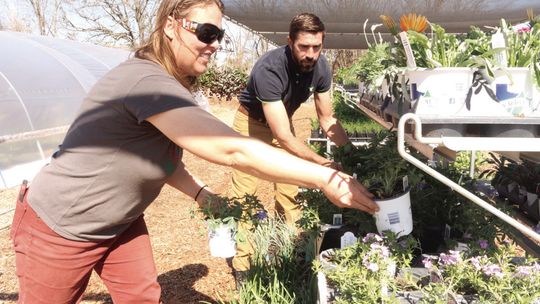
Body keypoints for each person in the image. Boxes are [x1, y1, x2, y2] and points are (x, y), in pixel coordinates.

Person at [9, 1, 377, 302]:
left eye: (219, 34)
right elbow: (233, 150)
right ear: (170, 26)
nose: (215, 43)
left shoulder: (172, 86)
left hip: (119, 222)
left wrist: (201, 195)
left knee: (142, 296)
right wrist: (325, 176)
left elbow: (159, 159)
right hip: (61, 225)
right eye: (205, 32)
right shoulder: (145, 81)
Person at [230, 13, 353, 273]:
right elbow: (283, 137)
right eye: (303, 47)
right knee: (245, 196)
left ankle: (289, 252)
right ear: (290, 42)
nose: (310, 54)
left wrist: (350, 152)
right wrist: (323, 163)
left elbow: (327, 117)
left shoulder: (321, 67)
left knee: (289, 193)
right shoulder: (270, 68)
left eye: (316, 47)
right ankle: (243, 265)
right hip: (250, 125)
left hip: (283, 122)